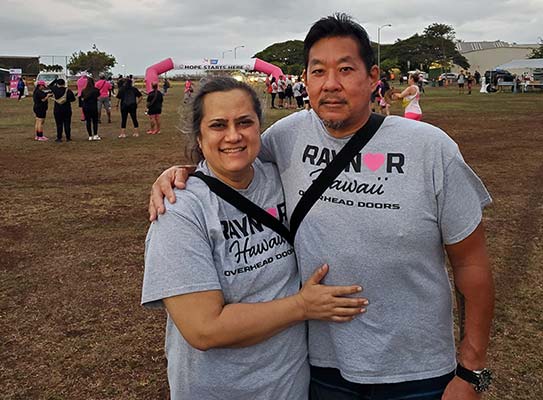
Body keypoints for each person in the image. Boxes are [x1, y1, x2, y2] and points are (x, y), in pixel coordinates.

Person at [149, 13, 494, 400]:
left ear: (372, 76)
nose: (331, 84)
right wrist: (180, 173)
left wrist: (473, 370)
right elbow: (230, 158)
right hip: (322, 370)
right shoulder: (284, 138)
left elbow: (472, 264)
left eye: (346, 69)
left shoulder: (431, 149)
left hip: (418, 373)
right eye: (318, 71)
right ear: (307, 79)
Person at [142, 76, 367, 400]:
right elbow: (204, 328)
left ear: (259, 127)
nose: (233, 136)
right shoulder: (179, 210)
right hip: (217, 390)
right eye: (218, 125)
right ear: (199, 136)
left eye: (244, 122)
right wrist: (301, 306)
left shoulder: (283, 179)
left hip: (291, 388)